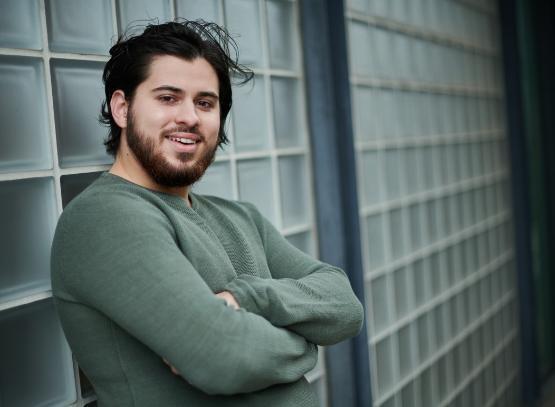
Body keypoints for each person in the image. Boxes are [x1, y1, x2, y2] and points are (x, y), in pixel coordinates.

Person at [51, 20, 363, 406]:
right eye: (168, 97)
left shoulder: (240, 217)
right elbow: (223, 359)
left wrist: (246, 298)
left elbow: (344, 305)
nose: (190, 117)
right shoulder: (104, 218)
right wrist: (308, 344)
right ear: (122, 107)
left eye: (205, 102)